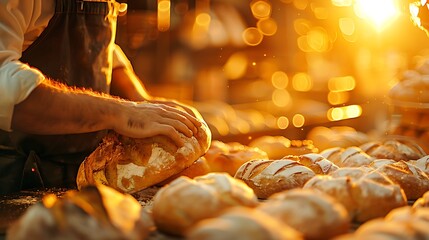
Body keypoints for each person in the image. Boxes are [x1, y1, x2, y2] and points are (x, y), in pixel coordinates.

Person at [0, 0, 204, 193]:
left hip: (88, 174)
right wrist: (121, 112)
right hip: (15, 178)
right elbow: (4, 84)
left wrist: (137, 99)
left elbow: (94, 46)